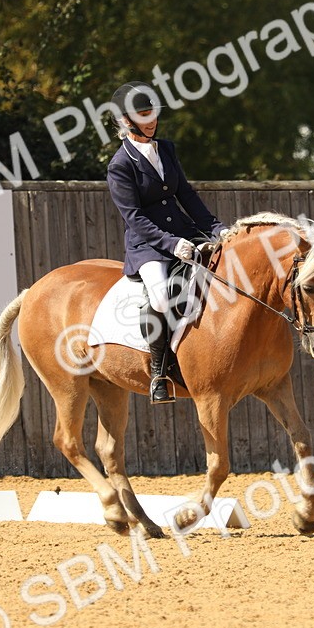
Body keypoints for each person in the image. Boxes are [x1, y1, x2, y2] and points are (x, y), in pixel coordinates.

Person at [105, 81, 227, 404]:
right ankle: (159, 371)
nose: (151, 120)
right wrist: (171, 244)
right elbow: (134, 218)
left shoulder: (167, 150)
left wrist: (216, 229)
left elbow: (185, 194)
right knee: (159, 298)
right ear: (126, 121)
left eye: (153, 113)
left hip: (184, 234)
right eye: (143, 115)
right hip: (147, 247)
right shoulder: (120, 166)